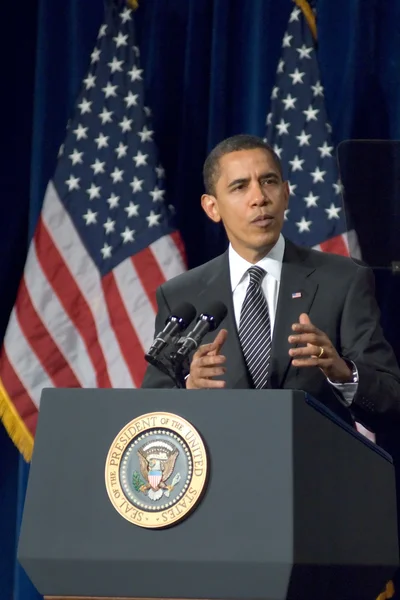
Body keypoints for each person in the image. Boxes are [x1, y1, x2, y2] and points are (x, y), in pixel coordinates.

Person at [142, 134, 400, 432]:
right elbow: (151, 413)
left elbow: (392, 401)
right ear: (212, 207)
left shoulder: (343, 280)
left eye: (269, 181)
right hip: (222, 471)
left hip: (315, 471)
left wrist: (341, 372)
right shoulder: (181, 295)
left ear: (286, 193)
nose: (259, 197)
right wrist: (189, 390)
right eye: (240, 187)